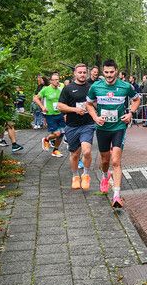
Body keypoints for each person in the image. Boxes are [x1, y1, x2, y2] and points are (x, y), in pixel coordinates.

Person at [86, 59, 140, 208]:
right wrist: (95, 117)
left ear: (116, 71)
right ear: (103, 72)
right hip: (102, 128)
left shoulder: (125, 86)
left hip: (118, 128)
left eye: (111, 72)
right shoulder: (96, 86)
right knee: (105, 161)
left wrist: (130, 113)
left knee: (115, 161)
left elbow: (137, 100)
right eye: (106, 72)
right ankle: (105, 176)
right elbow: (89, 104)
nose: (109, 75)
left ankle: (116, 195)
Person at [57, 63, 95, 190]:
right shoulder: (68, 88)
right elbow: (60, 106)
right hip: (72, 125)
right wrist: (75, 109)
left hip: (87, 124)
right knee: (74, 154)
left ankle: (86, 174)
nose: (82, 75)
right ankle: (75, 176)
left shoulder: (91, 87)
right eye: (80, 72)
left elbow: (96, 102)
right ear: (75, 73)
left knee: (87, 151)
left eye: (84, 72)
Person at [34, 72, 65, 157]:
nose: (56, 81)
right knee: (57, 133)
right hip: (50, 115)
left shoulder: (61, 89)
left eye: (57, 79)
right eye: (54, 80)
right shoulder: (46, 89)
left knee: (62, 133)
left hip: (60, 114)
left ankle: (55, 150)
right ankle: (46, 139)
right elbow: (36, 98)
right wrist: (42, 107)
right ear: (51, 81)